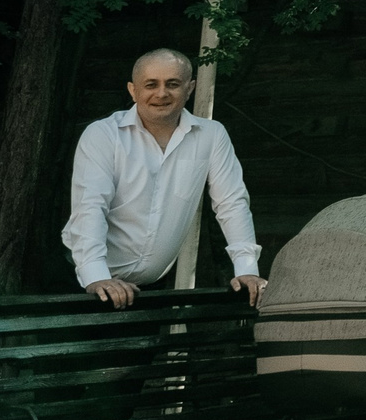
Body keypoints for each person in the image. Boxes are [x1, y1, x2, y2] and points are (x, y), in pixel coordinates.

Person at [64, 47, 265, 307]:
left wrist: (247, 268)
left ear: (190, 88)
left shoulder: (211, 136)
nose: (161, 93)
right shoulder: (103, 135)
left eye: (173, 84)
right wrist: (96, 277)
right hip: (86, 280)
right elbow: (90, 206)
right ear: (133, 90)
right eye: (151, 84)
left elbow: (231, 203)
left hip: (149, 289)